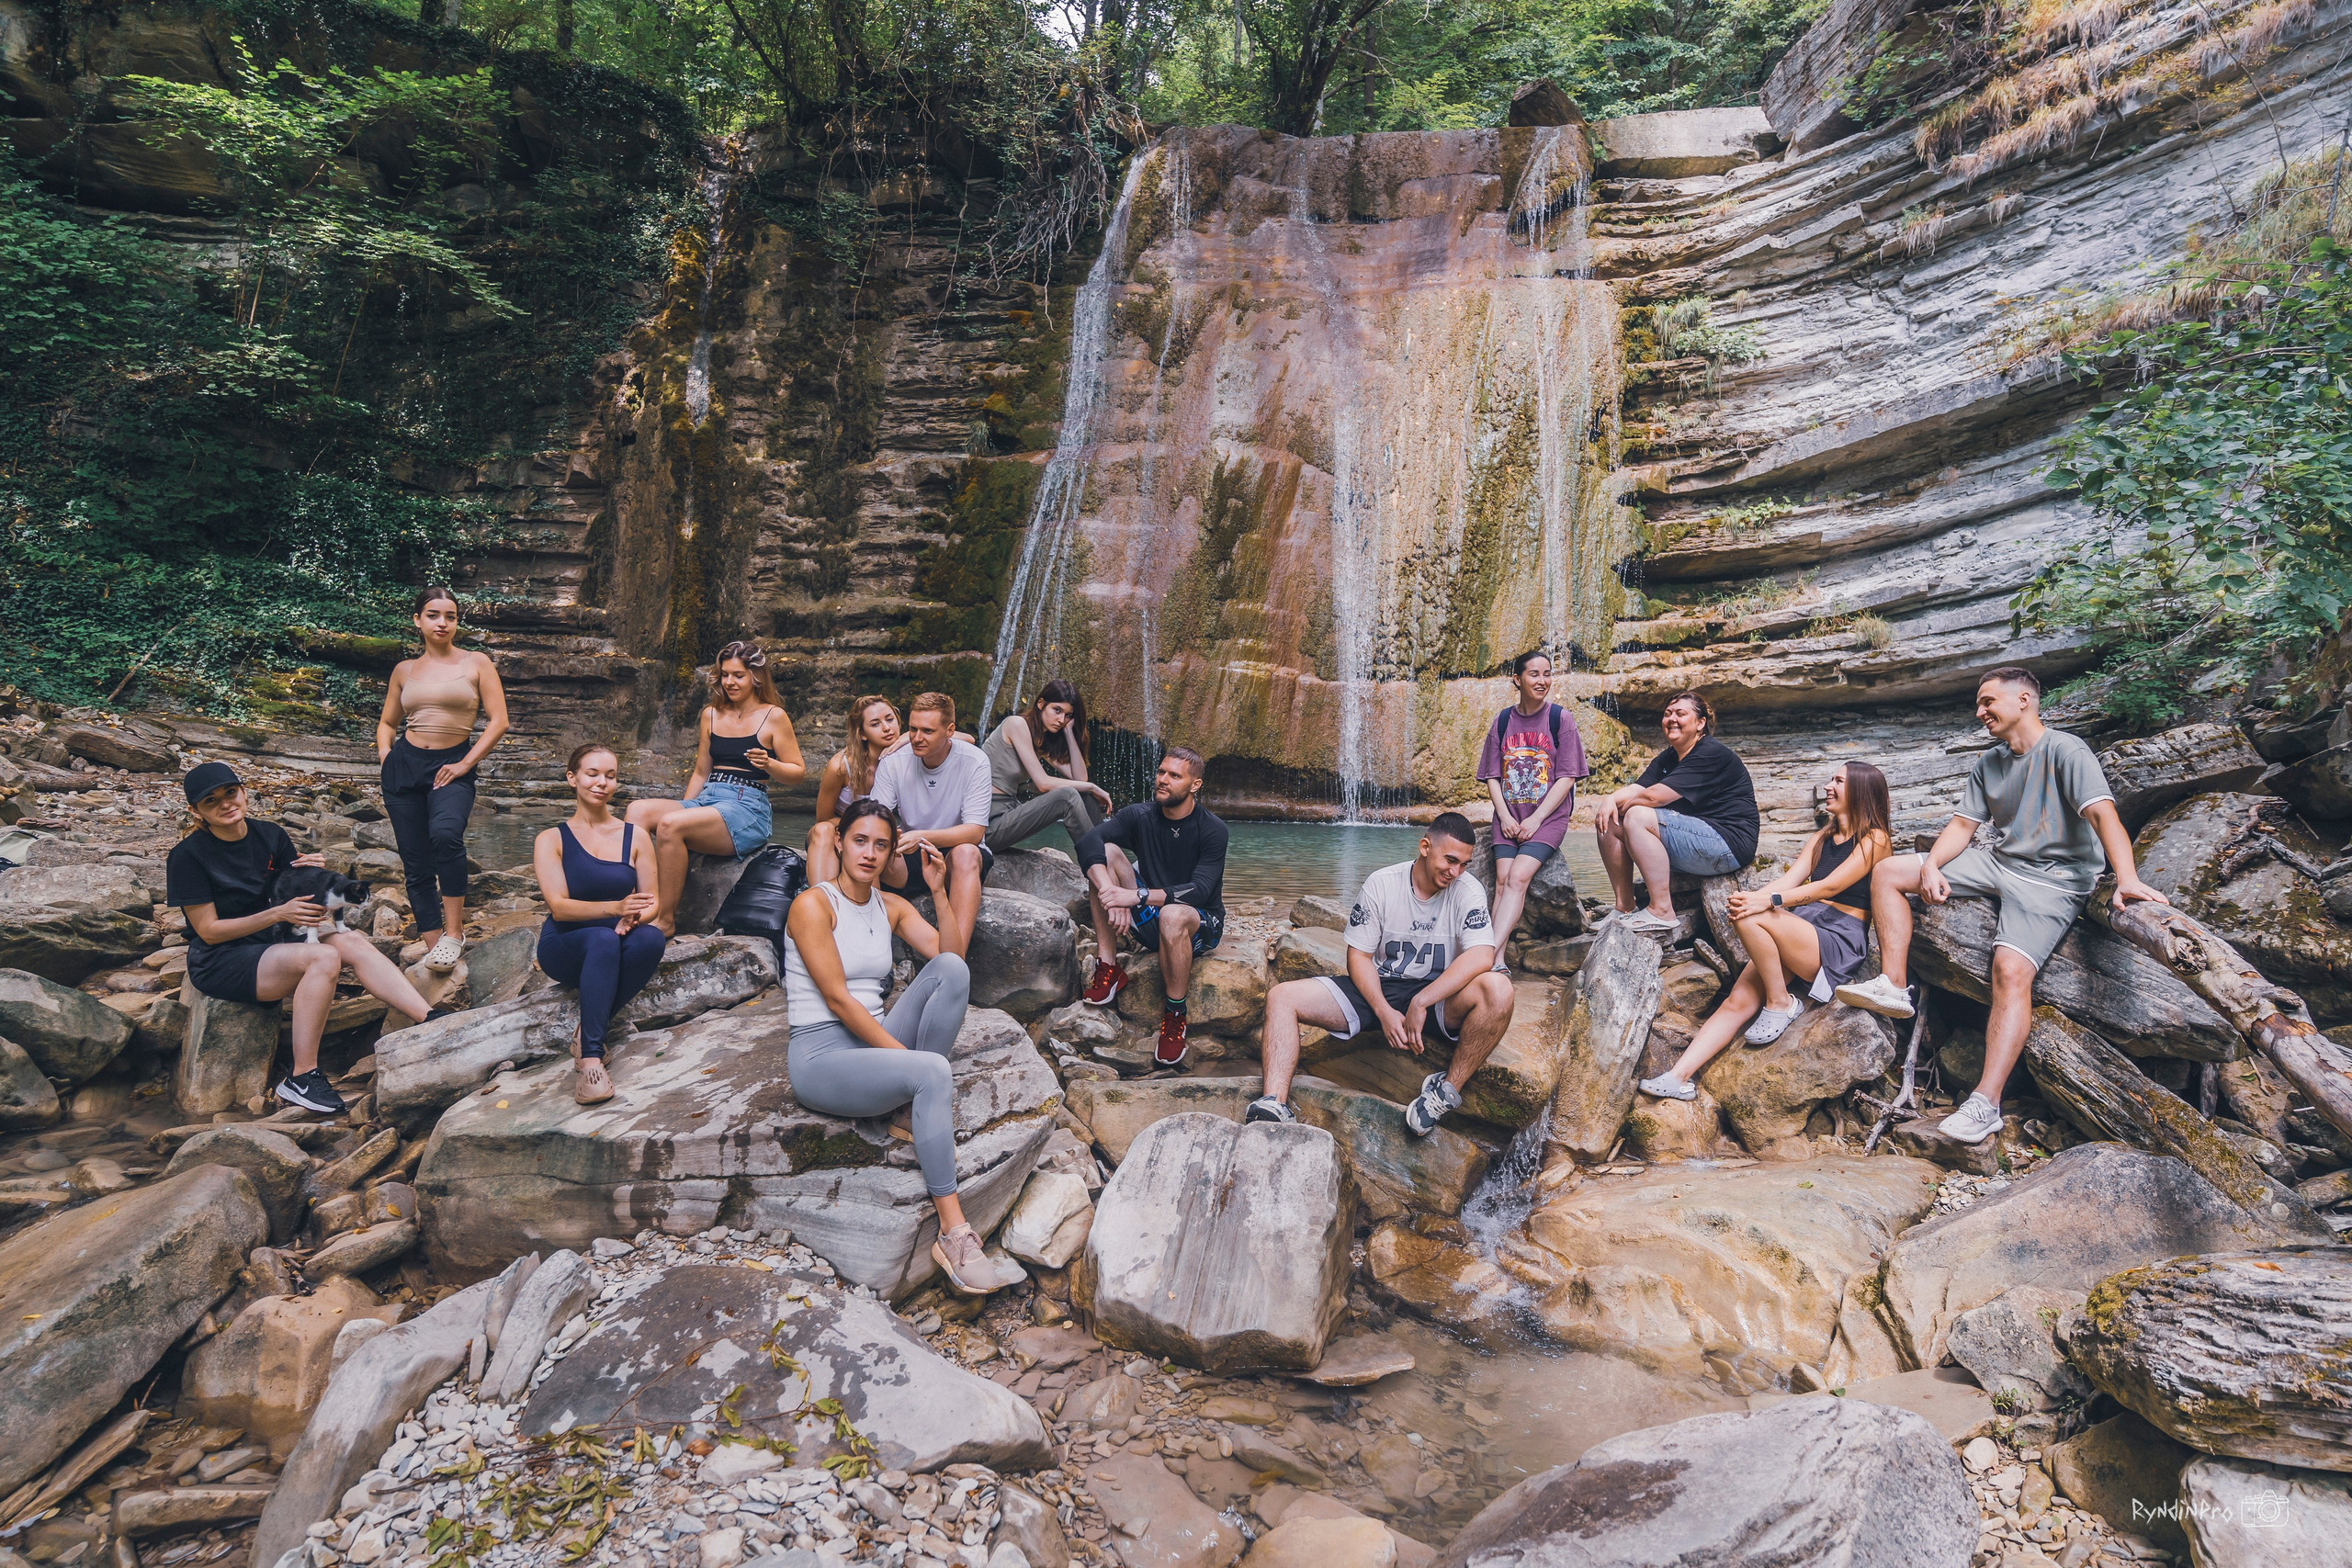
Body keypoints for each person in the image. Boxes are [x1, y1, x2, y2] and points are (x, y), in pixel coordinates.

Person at [1836, 666, 2167, 1143]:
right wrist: (1930, 867)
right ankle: (1893, 983)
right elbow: (1961, 828)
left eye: (1989, 701)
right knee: (1889, 871)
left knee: (2010, 971)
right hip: (2000, 863)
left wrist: (2128, 880)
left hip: (2054, 882)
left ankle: (1985, 1103)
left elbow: (2103, 815)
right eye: (1979, 703)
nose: (1981, 711)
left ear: (2025, 701)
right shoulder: (1989, 762)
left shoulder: (2066, 750)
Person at [785, 798, 1022, 1295]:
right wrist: (910, 1060)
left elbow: (952, 958)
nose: (869, 853)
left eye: (881, 845)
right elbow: (838, 1000)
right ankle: (954, 1232)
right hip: (822, 1057)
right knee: (932, 1072)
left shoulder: (891, 905)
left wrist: (938, 890)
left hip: (872, 1044)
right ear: (839, 843)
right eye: (859, 841)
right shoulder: (812, 905)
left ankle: (905, 1112)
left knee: (953, 972)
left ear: (893, 853)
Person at [168, 761, 448, 1116]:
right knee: (324, 957)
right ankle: (301, 1077)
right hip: (222, 958)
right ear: (196, 811)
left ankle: (430, 1019)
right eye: (211, 801)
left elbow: (296, 890)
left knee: (353, 942)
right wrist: (278, 913)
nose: (225, 804)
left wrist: (316, 873)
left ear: (243, 792)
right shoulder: (187, 857)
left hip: (275, 940)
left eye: (230, 792)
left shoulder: (270, 836)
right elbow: (207, 930)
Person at [1639, 761, 1894, 1101]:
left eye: (1839, 781)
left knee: (1752, 917)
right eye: (1832, 779)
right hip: (1803, 927)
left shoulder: (1875, 838)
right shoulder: (1822, 837)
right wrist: (1751, 898)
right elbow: (1790, 880)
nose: (1829, 786)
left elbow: (1829, 887)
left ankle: (1780, 1002)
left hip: (1837, 937)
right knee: (1737, 1000)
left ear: (1862, 791)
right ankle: (1678, 1077)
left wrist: (1767, 902)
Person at [1251, 812, 1516, 1135]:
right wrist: (1383, 1011)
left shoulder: (1467, 890)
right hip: (1381, 988)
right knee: (1282, 996)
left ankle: (1443, 1092)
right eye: (1449, 860)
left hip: (1438, 997)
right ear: (1424, 847)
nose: (1455, 871)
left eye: (1464, 864)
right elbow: (1359, 957)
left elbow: (1481, 955)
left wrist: (1421, 1002)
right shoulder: (1382, 883)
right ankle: (1273, 1103)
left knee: (1499, 990)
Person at [628, 640, 806, 933]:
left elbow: (797, 773)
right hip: (708, 798)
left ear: (756, 677)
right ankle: (638, 903)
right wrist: (686, 813)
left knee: (671, 825)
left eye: (738, 675)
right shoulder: (711, 714)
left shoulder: (774, 716)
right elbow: (700, 771)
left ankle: (665, 920)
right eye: (724, 674)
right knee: (637, 811)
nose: (729, 682)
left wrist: (769, 764)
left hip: (747, 808)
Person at [377, 586, 509, 972]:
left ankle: (454, 933)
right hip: (404, 765)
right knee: (415, 860)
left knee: (446, 834)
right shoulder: (404, 670)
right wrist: (387, 756)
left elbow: (499, 721)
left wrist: (466, 764)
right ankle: (435, 944)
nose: (443, 622)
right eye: (433, 615)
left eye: (450, 616)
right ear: (417, 620)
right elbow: (388, 722)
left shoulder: (476, 662)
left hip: (454, 763)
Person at [1076, 747, 1229, 1066]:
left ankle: (1175, 1014)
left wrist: (1135, 897)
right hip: (1150, 920)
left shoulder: (1213, 830)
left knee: (1173, 914)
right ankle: (1109, 968)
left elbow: (1199, 890)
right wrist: (1110, 893)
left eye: (1174, 776)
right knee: (1103, 854)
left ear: (1195, 785)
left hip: (1199, 924)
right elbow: (1087, 842)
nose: (1163, 780)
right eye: (1161, 772)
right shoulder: (1139, 815)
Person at [533, 744, 665, 1105]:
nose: (602, 783)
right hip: (565, 945)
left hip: (615, 936)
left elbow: (652, 901)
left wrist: (634, 917)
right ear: (572, 778)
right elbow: (559, 908)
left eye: (610, 775)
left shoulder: (635, 836)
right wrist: (615, 909)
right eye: (592, 774)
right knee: (602, 941)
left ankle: (586, 1030)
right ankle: (590, 1057)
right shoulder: (551, 839)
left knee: (652, 939)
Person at [1595, 691, 1758, 933]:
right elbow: (1637, 788)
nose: (1672, 719)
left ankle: (1661, 911)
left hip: (1728, 845)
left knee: (1637, 815)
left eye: (1681, 714)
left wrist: (1627, 807)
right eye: (1668, 713)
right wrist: (1610, 800)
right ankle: (1625, 907)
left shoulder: (1710, 753)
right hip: (1695, 838)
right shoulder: (1670, 756)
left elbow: (1653, 797)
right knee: (1608, 819)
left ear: (1700, 723)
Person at [1477, 650, 1588, 966]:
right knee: (1501, 881)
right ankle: (1496, 956)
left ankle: (1487, 956)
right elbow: (1492, 776)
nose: (1543, 681)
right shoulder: (1502, 721)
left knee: (1517, 879)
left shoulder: (1560, 719)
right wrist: (1505, 816)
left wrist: (1537, 820)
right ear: (1517, 679)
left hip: (1548, 818)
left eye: (1547, 674)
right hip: (1509, 816)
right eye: (1534, 674)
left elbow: (1567, 777)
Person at [867, 692, 993, 954]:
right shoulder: (893, 762)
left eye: (927, 731)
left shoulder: (975, 761)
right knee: (873, 845)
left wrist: (923, 836)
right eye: (912, 729)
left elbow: (975, 831)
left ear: (950, 731)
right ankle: (871, 945)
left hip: (955, 853)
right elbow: (874, 818)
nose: (916, 738)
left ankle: (954, 962)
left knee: (967, 854)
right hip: (912, 854)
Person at [982, 678, 1114, 852]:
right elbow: (1042, 783)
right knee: (1067, 796)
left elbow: (1080, 778)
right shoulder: (1016, 724)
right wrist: (1092, 787)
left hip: (1009, 812)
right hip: (988, 823)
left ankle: (1105, 855)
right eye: (1057, 710)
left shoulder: (1041, 740)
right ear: (1041, 703)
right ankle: (1100, 863)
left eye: (1068, 715)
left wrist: (1068, 732)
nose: (1061, 719)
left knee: (1085, 796)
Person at [806, 694, 904, 885]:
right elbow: (823, 819)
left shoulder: (909, 755)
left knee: (874, 839)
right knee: (823, 830)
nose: (886, 728)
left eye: (890, 719)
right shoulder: (841, 766)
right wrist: (860, 827)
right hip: (836, 833)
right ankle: (821, 903)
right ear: (862, 733)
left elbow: (963, 738)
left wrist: (907, 737)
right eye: (875, 724)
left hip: (876, 838)